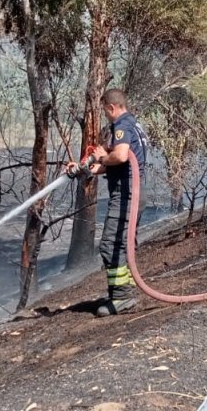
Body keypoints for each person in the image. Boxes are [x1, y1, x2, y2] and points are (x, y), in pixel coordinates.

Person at [68, 88, 149, 317]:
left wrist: (103, 157)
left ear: (111, 107)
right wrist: (97, 168)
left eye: (105, 112)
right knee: (123, 243)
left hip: (126, 195)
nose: (106, 116)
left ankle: (122, 297)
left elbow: (122, 156)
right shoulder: (135, 125)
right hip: (136, 192)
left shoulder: (122, 125)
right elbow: (121, 161)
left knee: (110, 244)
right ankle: (125, 291)